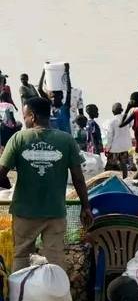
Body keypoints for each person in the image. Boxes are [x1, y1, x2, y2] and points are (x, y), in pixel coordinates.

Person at [0, 96, 91, 271]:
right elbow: (78, 178)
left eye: (25, 116)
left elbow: (2, 173)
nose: (24, 120)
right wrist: (85, 206)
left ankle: (22, 296)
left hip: (25, 211)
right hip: (55, 211)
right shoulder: (66, 140)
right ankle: (56, 296)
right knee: (55, 258)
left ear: (32, 116)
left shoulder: (19, 139)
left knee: (21, 255)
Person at [38, 62, 72, 134]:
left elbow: (69, 91)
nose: (53, 99)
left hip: (65, 138)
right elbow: (39, 89)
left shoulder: (65, 107)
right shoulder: (49, 107)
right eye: (52, 97)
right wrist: (45, 70)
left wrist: (67, 72)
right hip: (53, 139)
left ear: (61, 97)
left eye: (56, 97)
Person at [104, 102, 134, 176]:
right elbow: (130, 125)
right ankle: (125, 178)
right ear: (121, 110)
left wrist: (107, 148)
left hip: (115, 148)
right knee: (124, 166)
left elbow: (109, 137)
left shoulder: (111, 122)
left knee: (109, 168)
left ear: (113, 111)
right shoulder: (127, 118)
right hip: (126, 147)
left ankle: (110, 180)